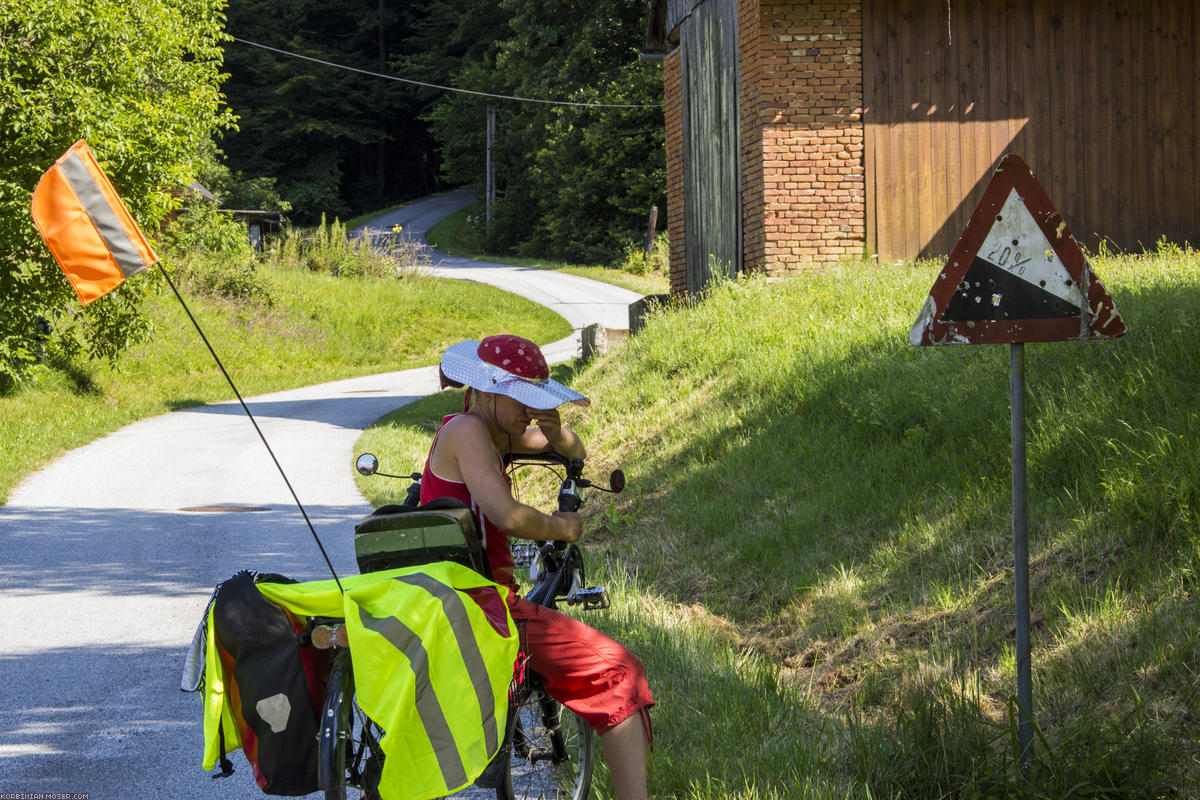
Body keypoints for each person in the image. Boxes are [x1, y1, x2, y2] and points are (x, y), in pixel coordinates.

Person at [420, 334, 653, 800]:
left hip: (450, 594)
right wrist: (560, 528)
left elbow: (573, 449)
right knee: (622, 672)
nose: (529, 408)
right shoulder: (468, 431)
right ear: (487, 390)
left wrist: (553, 428)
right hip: (480, 603)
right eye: (522, 398)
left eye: (535, 398)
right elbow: (506, 514)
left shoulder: (488, 432)